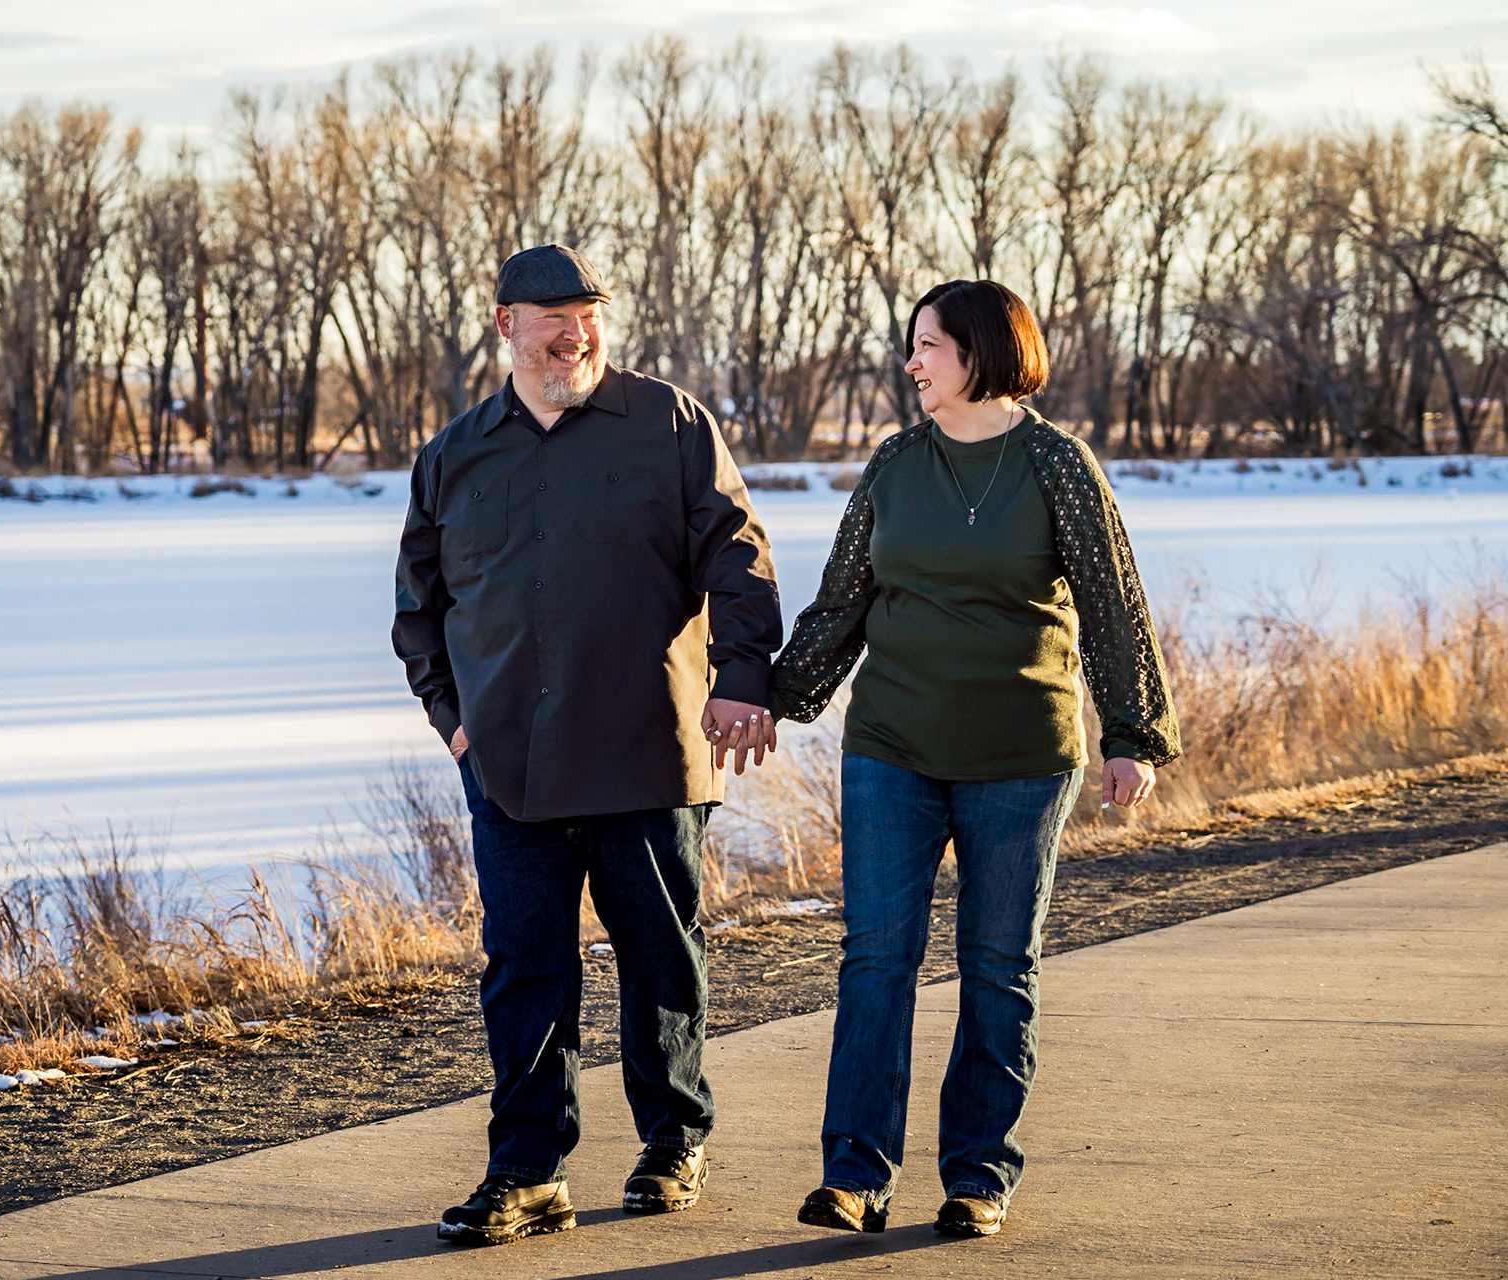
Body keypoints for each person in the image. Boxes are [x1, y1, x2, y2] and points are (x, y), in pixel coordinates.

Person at [751, 278, 1180, 1240]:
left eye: (928, 345)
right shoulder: (896, 462)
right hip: (892, 747)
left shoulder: (1057, 465)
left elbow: (1113, 603)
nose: (911, 363)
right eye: (913, 346)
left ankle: (979, 1177)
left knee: (997, 964)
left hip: (1022, 755)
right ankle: (854, 1176)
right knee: (877, 959)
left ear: (981, 352)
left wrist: (1133, 733)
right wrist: (771, 695)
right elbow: (843, 599)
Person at [392, 244, 783, 1246]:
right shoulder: (454, 455)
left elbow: (737, 554)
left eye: (589, 315)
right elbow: (419, 609)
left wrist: (743, 673)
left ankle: (673, 1141)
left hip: (648, 745)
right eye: (554, 318)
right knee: (525, 968)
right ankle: (528, 1171)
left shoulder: (669, 424)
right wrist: (454, 720)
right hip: (510, 762)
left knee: (660, 956)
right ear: (506, 324)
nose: (576, 335)